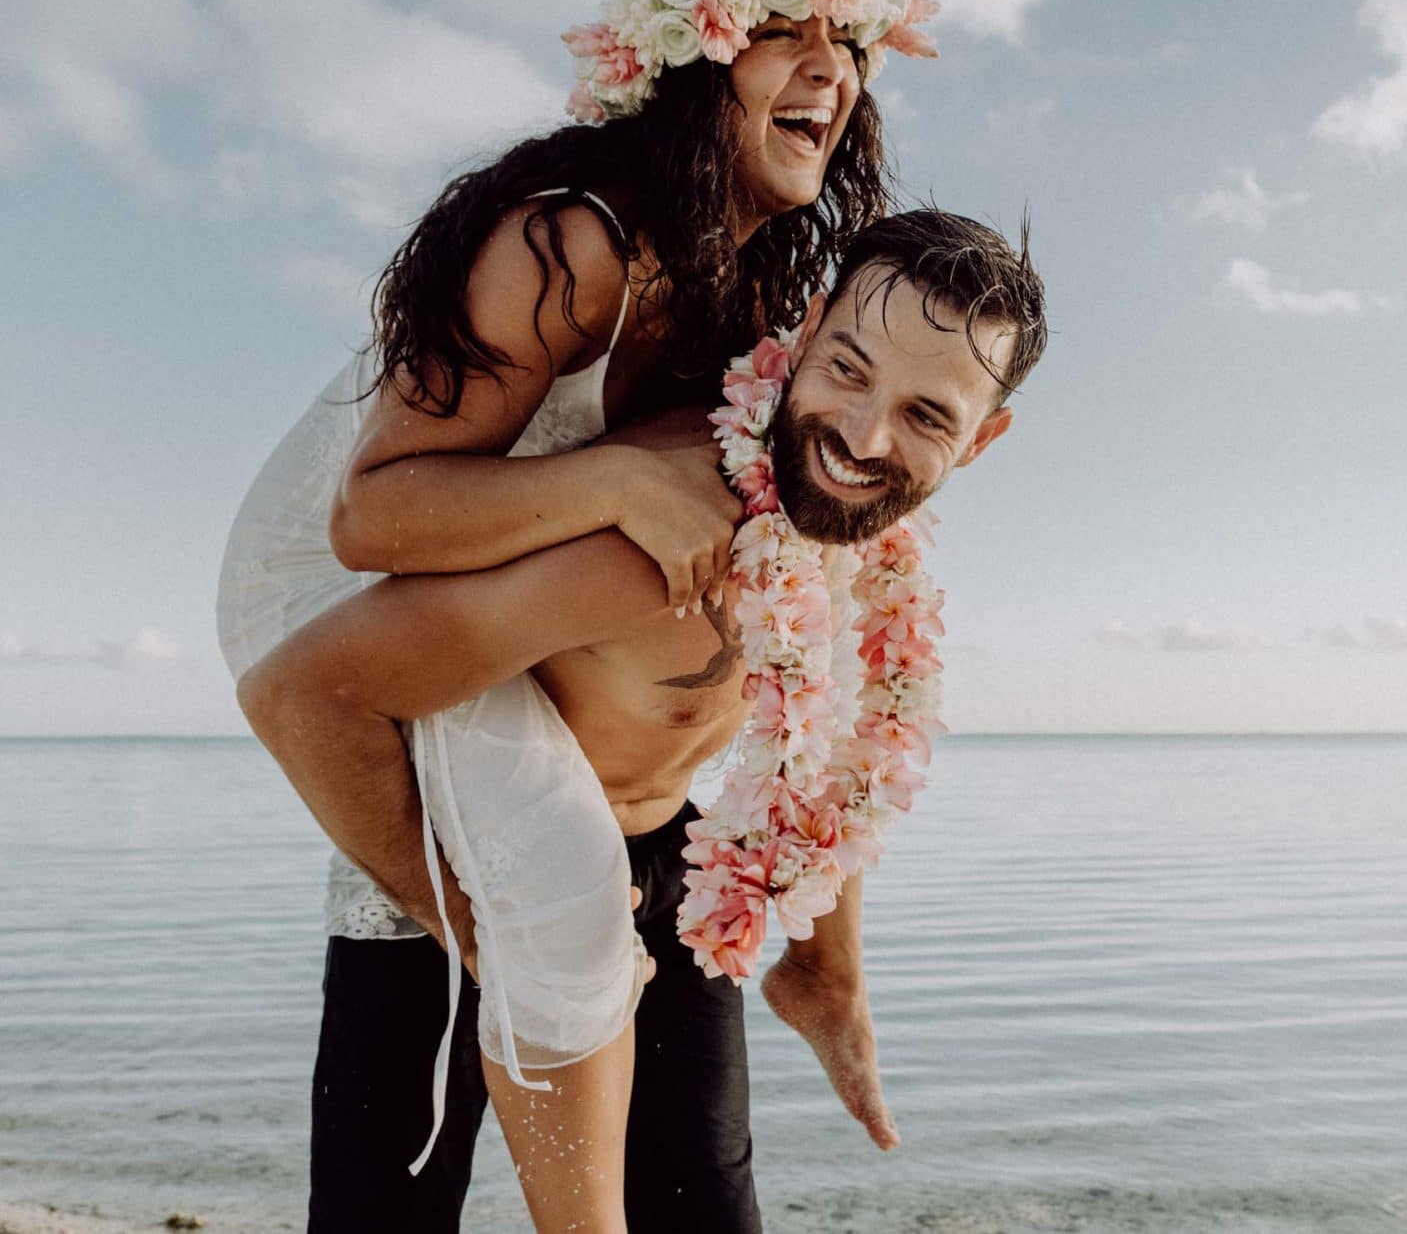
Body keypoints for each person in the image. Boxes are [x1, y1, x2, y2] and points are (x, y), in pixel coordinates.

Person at [216, 0, 937, 1228]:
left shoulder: (772, 298)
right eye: (786, 27)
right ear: (690, 52)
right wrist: (607, 478)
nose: (833, 68)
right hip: (353, 607)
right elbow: (370, 517)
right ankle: (496, 938)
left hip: (609, 756)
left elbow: (817, 612)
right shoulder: (566, 241)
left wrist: (828, 951)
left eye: (852, 39)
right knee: (400, 1175)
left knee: (701, 1189)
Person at [240, 209, 1049, 1231]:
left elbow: (814, 744)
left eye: (927, 415)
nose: (863, 435)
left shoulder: (864, 534)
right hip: (443, 877)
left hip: (670, 864)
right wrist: (472, 924)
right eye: (845, 367)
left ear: (982, 439)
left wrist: (827, 971)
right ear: (800, 332)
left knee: (709, 1213)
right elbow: (300, 692)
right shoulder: (656, 535)